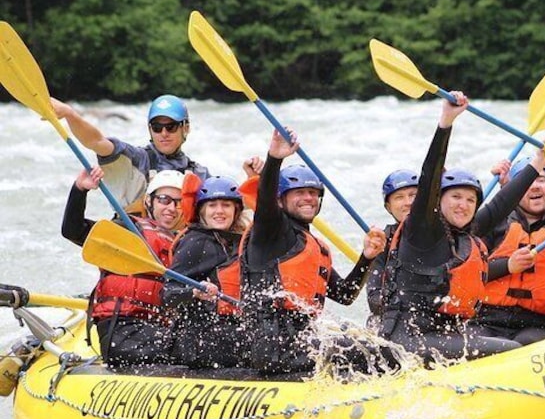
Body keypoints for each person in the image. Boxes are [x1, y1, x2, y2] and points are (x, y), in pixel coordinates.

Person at [379, 91, 545, 363]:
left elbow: (501, 205)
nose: (463, 205)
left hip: (446, 335)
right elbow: (429, 177)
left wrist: (537, 164)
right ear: (439, 200)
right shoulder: (423, 230)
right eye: (456, 197)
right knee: (508, 351)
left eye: (470, 200)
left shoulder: (466, 233)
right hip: (409, 339)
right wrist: (446, 122)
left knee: (499, 344)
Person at [224, 128, 391, 376]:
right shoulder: (270, 231)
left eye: (313, 193)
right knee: (377, 353)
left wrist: (366, 257)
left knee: (374, 346)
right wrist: (275, 157)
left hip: (303, 339)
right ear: (281, 200)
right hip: (274, 345)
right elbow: (265, 198)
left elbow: (345, 295)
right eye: (299, 193)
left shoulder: (312, 245)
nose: (308, 198)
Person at [61, 167, 185, 367]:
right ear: (149, 201)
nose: (171, 207)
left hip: (160, 330)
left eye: (178, 202)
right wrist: (80, 190)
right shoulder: (128, 230)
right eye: (164, 199)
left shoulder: (187, 244)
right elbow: (72, 230)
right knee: (192, 347)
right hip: (122, 330)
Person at [50, 95, 209, 214]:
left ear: (186, 128)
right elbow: (96, 142)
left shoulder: (200, 174)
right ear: (150, 129)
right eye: (157, 127)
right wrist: (70, 115)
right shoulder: (136, 159)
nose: (164, 133)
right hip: (136, 239)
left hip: (179, 248)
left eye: (171, 126)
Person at [470, 156, 545, 344]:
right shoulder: (493, 225)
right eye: (528, 181)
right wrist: (508, 265)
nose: (535, 186)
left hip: (539, 325)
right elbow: (465, 272)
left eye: (541, 179)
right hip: (486, 320)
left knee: (522, 344)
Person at [163, 175, 248, 369]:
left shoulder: (237, 242)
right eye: (212, 206)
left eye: (226, 205)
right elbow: (167, 294)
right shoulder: (197, 242)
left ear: (236, 211)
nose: (219, 211)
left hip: (225, 334)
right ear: (202, 211)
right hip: (200, 342)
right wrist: (194, 291)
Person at [366, 169, 419, 329]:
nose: (408, 202)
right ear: (388, 207)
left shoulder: (448, 233)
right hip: (399, 322)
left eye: (413, 195)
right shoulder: (382, 242)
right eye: (399, 197)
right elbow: (374, 299)